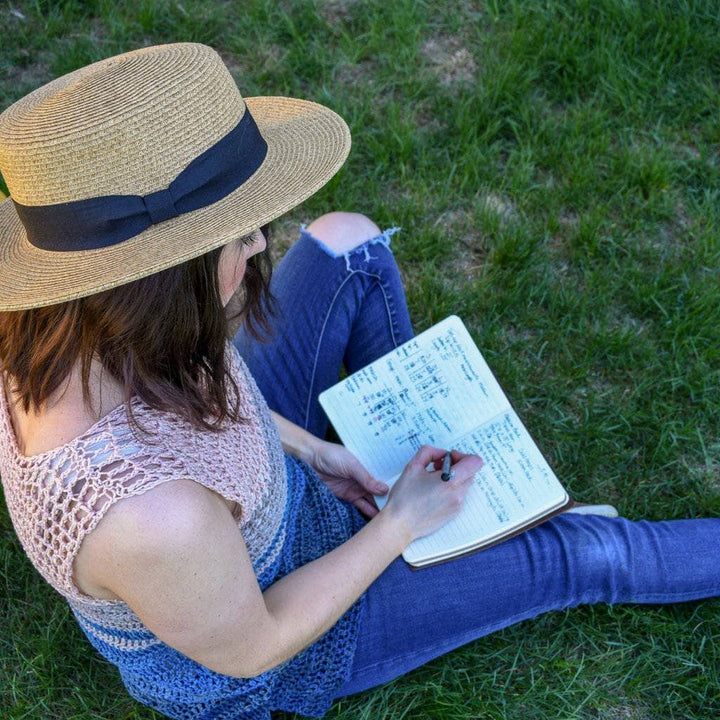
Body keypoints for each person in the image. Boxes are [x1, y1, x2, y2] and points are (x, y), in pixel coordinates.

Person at [0, 43, 717, 720]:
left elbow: (200, 419)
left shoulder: (71, 322)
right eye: (242, 235)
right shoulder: (150, 517)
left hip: (264, 508)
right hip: (285, 627)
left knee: (349, 244)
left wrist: (313, 450)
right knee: (585, 554)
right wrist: (400, 522)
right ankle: (450, 524)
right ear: (156, 282)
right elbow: (257, 644)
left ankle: (457, 504)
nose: (259, 246)